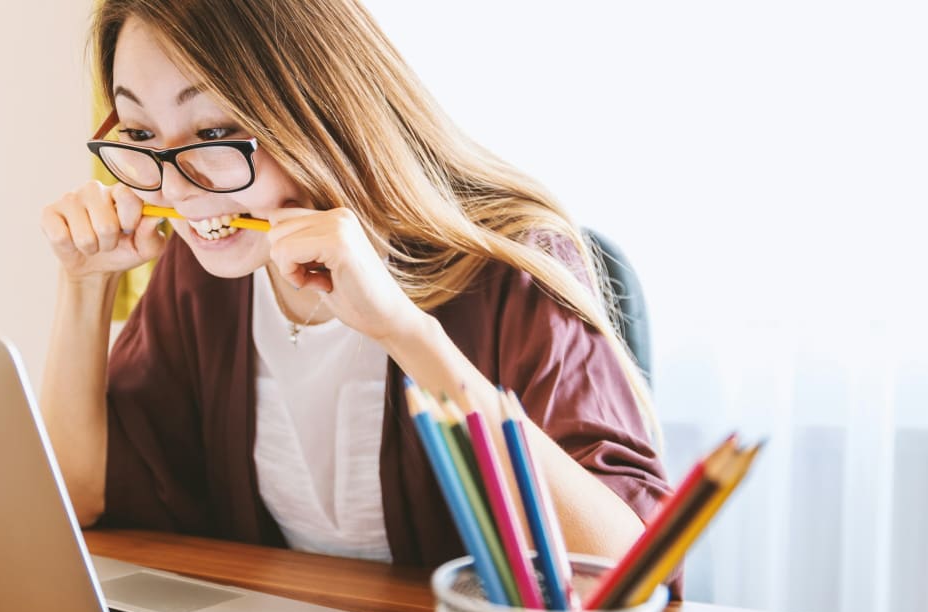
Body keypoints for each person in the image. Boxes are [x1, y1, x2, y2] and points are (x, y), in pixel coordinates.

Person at [40, 0, 674, 575]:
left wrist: (404, 331)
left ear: (320, 110)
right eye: (141, 134)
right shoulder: (206, 272)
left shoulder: (512, 264)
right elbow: (77, 497)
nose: (175, 189)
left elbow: (630, 573)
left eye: (214, 134)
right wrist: (84, 285)